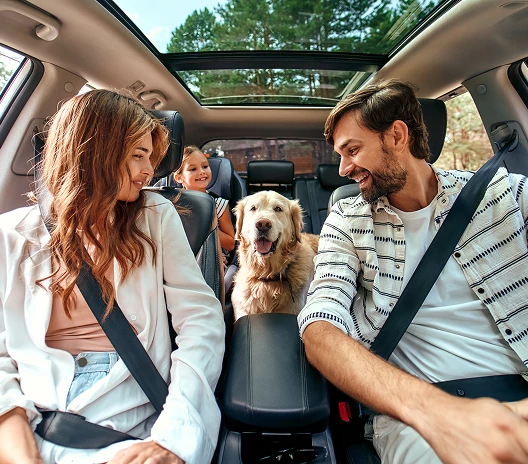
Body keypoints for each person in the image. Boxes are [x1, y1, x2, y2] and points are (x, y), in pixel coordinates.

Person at [298, 79, 528, 463]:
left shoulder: (509, 194)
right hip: (415, 414)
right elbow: (320, 328)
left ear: (397, 136)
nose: (343, 169)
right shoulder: (347, 219)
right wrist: (438, 414)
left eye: (352, 150)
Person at [0, 90, 225, 464]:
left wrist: (173, 437)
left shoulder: (155, 215)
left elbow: (200, 320)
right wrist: (14, 431)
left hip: (128, 415)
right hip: (33, 410)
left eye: (150, 158)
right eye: (138, 155)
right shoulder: (11, 234)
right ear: (92, 150)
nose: (149, 171)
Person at [173, 146, 236, 265]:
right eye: (193, 169)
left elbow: (230, 244)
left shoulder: (219, 205)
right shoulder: (172, 205)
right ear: (179, 177)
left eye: (205, 166)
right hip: (180, 258)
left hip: (212, 260)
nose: (202, 171)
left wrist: (203, 227)